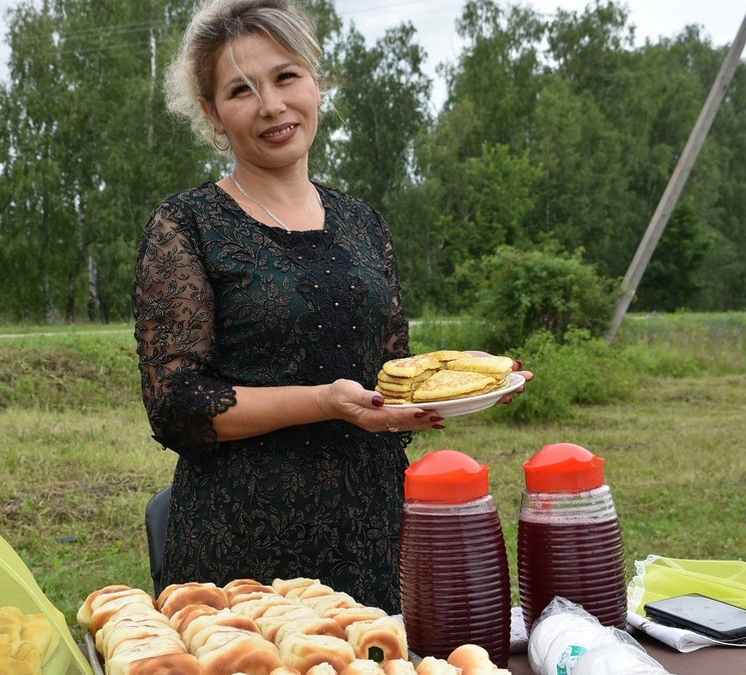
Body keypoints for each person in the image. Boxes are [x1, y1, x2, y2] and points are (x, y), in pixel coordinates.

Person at [132, 0, 529, 613]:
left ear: (316, 81)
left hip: (375, 534)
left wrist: (456, 376)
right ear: (213, 114)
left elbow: (388, 372)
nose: (272, 105)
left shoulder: (363, 223)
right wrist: (324, 402)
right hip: (240, 551)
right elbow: (178, 406)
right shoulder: (186, 224)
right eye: (242, 90)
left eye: (286, 76)